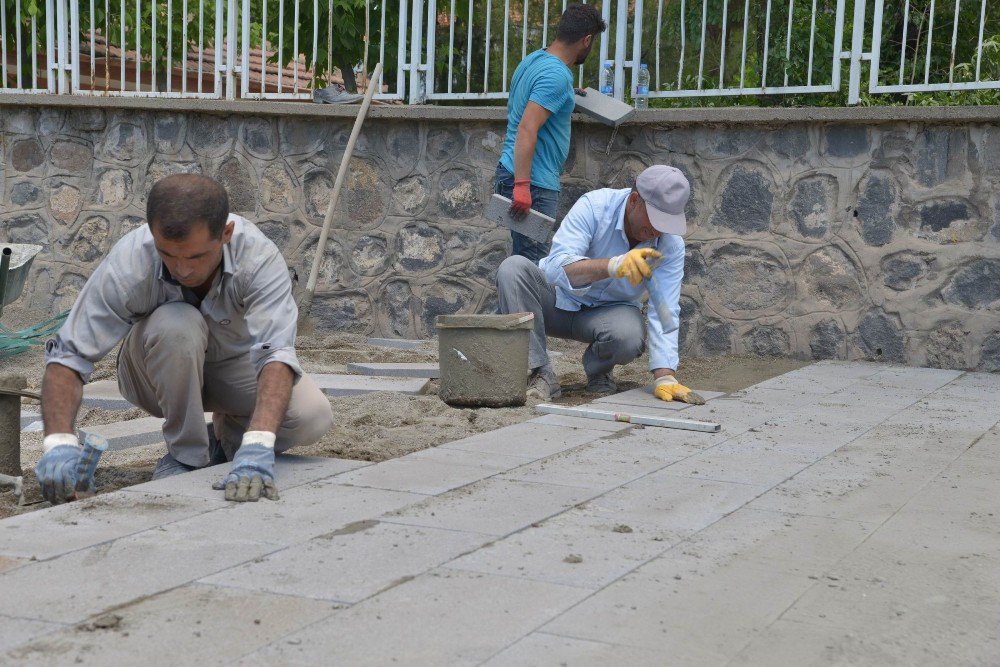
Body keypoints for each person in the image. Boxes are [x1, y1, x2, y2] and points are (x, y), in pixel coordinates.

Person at [35, 174, 335, 504]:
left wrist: (259, 444)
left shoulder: (258, 258)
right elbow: (69, 355)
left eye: (195, 257)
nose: (182, 270)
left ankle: (230, 441)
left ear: (225, 234)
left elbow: (276, 353)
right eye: (168, 254)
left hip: (230, 367)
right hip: (151, 372)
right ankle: (185, 456)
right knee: (178, 324)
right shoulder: (131, 261)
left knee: (311, 416)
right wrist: (58, 443)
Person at [496, 165, 705, 405]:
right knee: (513, 269)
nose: (658, 229)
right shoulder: (595, 206)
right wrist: (612, 267)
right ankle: (541, 373)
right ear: (634, 200)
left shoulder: (670, 245)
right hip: (556, 302)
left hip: (607, 316)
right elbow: (555, 268)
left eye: (667, 222)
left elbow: (665, 308)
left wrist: (665, 376)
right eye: (656, 219)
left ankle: (599, 370)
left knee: (629, 335)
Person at [495, 3, 607, 262]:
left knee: (522, 263)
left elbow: (528, 103)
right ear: (586, 40)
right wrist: (522, 187)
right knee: (532, 270)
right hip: (532, 183)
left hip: (513, 170)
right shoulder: (556, 76)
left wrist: (567, 94)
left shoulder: (535, 59)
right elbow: (527, 127)